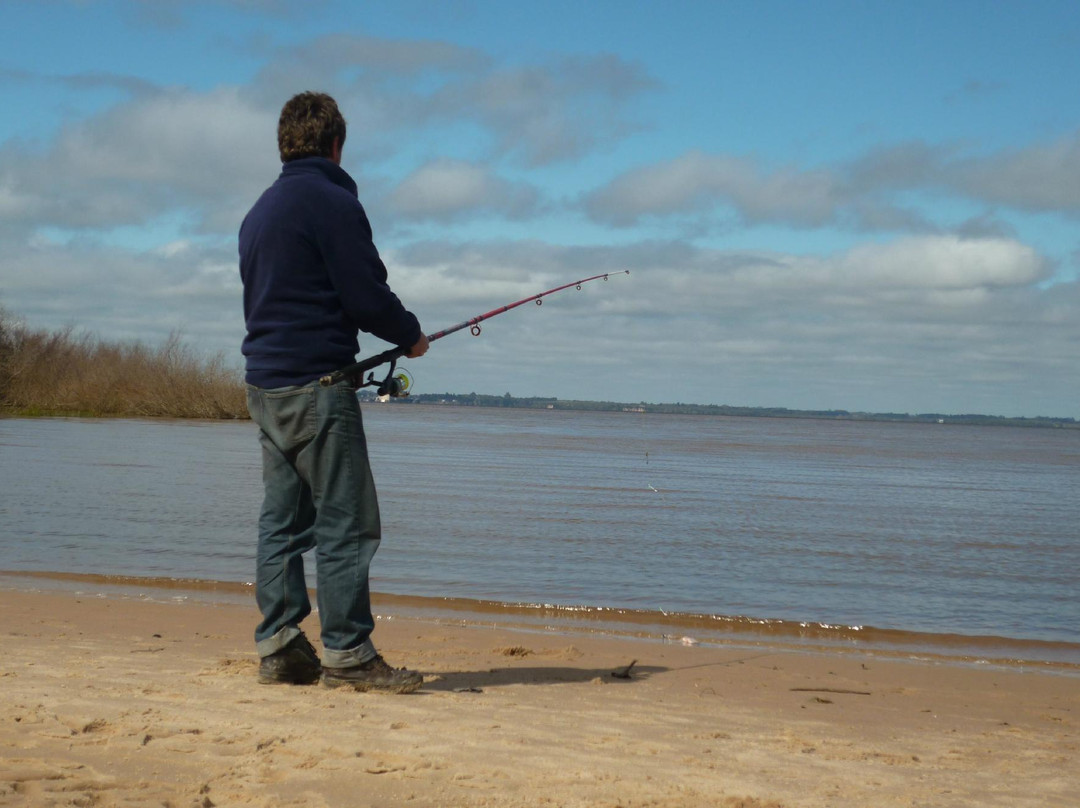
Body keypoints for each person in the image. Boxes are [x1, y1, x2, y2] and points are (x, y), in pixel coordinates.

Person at [238, 91, 429, 694]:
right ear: (335, 144)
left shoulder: (258, 212)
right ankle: (347, 651)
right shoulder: (333, 202)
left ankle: (280, 646)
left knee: (283, 523)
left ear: (285, 143)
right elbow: (365, 294)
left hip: (265, 388)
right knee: (347, 523)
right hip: (319, 386)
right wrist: (412, 336)